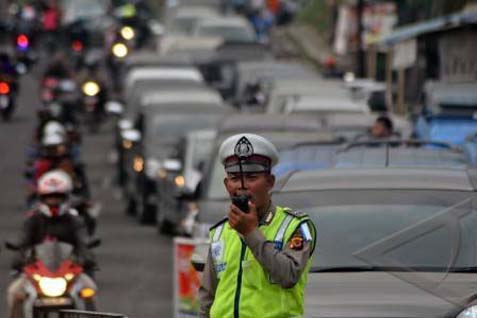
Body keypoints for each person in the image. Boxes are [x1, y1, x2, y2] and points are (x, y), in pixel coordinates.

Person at [199, 133, 316, 317]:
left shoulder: (296, 226)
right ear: (226, 184)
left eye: (252, 177)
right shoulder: (221, 231)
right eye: (235, 178)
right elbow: (208, 296)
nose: (242, 186)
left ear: (269, 182)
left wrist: (251, 233)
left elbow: (288, 276)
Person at [7, 170, 96, 318]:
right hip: (38, 273)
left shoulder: (74, 221)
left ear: (66, 198)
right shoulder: (33, 220)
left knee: (90, 290)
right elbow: (23, 243)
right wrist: (18, 260)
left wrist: (86, 259)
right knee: (15, 293)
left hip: (69, 272)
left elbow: (82, 242)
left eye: (58, 197)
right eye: (49, 197)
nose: (53, 201)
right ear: (42, 198)